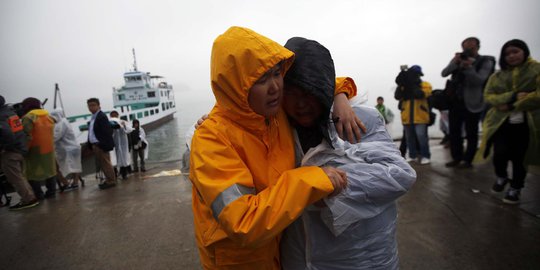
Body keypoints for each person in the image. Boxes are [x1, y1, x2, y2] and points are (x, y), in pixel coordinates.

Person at [189, 26, 348, 269]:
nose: (275, 87)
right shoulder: (211, 139)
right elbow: (244, 221)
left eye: (276, 73)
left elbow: (320, 81)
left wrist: (341, 96)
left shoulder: (272, 113)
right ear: (236, 89)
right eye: (261, 80)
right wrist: (311, 180)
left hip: (278, 253)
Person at [279, 37, 416, 269]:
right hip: (299, 257)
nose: (300, 104)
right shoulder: (277, 126)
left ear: (323, 86)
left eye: (308, 92)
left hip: (364, 259)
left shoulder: (358, 118)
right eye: (291, 92)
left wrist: (328, 190)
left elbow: (399, 174)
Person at [475, 39, 540, 204]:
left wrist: (509, 105)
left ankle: (516, 187)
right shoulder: (497, 76)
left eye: (515, 51)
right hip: (501, 122)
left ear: (524, 51)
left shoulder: (536, 69)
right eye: (507, 53)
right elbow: (489, 95)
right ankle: (502, 176)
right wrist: (513, 96)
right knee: (499, 154)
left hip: (528, 123)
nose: (511, 56)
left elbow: (537, 96)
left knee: (521, 158)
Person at [441, 37, 495, 169]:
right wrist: (455, 62)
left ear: (477, 47)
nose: (468, 49)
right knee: (454, 132)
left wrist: (469, 67)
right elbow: (444, 73)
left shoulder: (485, 61)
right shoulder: (459, 59)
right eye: (465, 47)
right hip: (455, 102)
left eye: (471, 47)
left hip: (473, 103)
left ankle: (468, 160)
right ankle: (456, 158)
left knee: (471, 132)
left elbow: (479, 80)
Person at [0, 95, 39, 210]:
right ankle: (30, 197)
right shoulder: (11, 113)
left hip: (11, 151)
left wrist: (4, 148)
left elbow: (8, 135)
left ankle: (29, 199)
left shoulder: (1, 116)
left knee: (15, 178)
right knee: (20, 176)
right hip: (21, 148)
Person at [20, 97, 57, 199]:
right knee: (50, 170)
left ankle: (38, 194)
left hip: (34, 149)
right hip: (49, 147)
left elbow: (27, 135)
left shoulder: (28, 117)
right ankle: (51, 192)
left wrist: (24, 149)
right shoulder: (47, 115)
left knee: (31, 173)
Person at [395, 65, 433, 164]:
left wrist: (413, 84)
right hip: (407, 116)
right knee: (409, 138)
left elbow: (421, 94)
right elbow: (397, 96)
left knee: (421, 137)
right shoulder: (405, 86)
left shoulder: (425, 84)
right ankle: (412, 155)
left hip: (420, 116)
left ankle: (425, 155)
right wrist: (401, 83)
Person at [50, 108, 84, 190]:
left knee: (56, 167)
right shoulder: (64, 122)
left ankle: (67, 183)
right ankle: (74, 182)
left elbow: (55, 137)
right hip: (72, 147)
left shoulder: (61, 124)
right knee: (75, 166)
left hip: (67, 149)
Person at [86, 98, 116, 190]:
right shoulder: (94, 117)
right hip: (96, 145)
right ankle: (108, 180)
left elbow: (107, 131)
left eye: (93, 105)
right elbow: (92, 131)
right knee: (103, 164)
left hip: (100, 145)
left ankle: (111, 181)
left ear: (99, 106)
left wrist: (102, 144)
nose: (91, 107)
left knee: (106, 163)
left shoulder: (101, 116)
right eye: (89, 105)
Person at [110, 111, 133, 179]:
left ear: (117, 115)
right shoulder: (109, 122)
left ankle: (124, 174)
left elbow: (129, 130)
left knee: (123, 160)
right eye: (112, 115)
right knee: (113, 160)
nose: (114, 116)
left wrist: (123, 125)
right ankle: (115, 174)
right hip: (114, 145)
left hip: (123, 144)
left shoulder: (123, 121)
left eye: (115, 115)